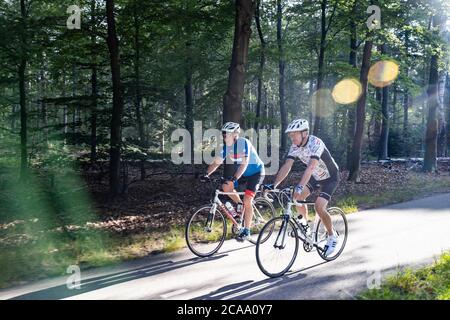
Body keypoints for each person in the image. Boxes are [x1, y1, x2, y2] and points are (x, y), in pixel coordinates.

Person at [264, 119, 340, 257]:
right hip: (316, 176)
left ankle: (332, 235)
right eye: (290, 135)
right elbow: (287, 166)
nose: (292, 137)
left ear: (304, 133)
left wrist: (300, 186)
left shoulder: (315, 143)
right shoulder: (294, 146)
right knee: (297, 197)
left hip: (330, 177)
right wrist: (274, 185)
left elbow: (311, 166)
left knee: (319, 207)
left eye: (294, 134)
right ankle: (305, 227)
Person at [201, 122, 265, 242]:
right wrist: (206, 174)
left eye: (228, 134)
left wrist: (234, 178)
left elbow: (244, 163)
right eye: (224, 134)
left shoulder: (244, 143)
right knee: (226, 187)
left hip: (256, 172)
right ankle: (242, 207)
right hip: (243, 173)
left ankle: (247, 230)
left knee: (248, 200)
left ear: (235, 134)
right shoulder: (226, 147)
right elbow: (216, 162)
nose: (225, 137)